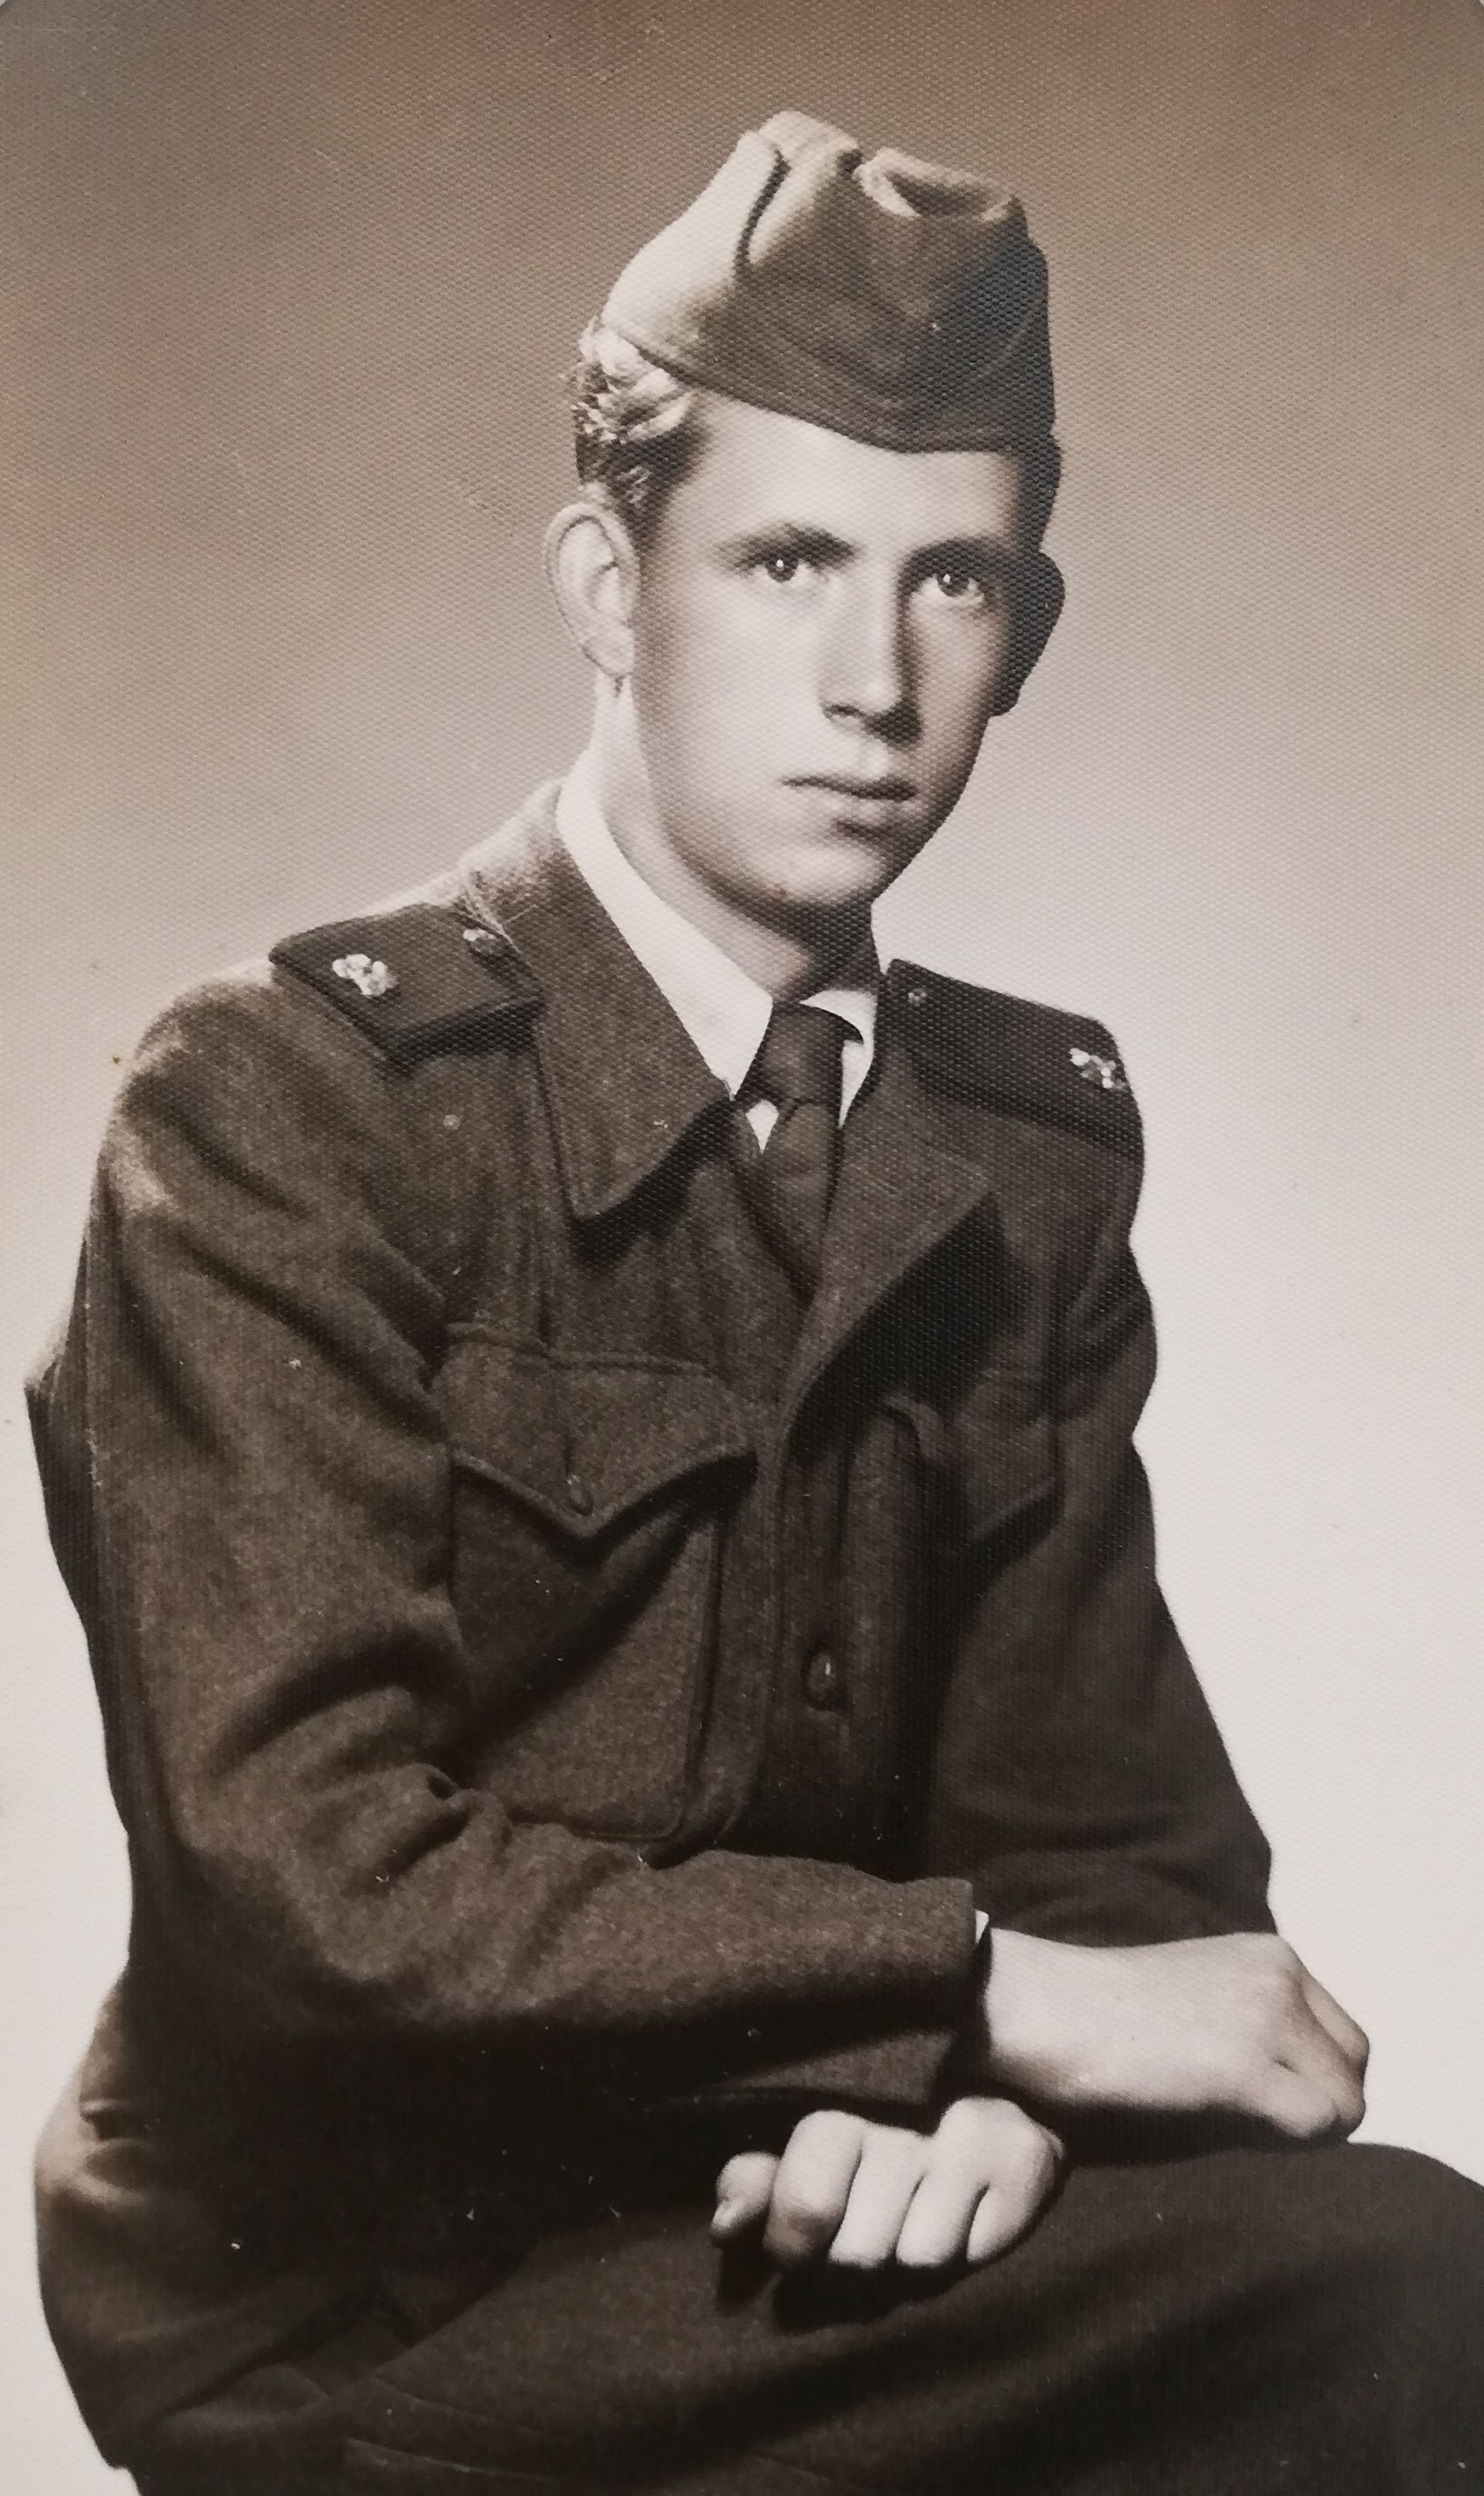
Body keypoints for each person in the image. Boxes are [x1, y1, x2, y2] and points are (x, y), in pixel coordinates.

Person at [28, 111, 1484, 2495]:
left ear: (1027, 630)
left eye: (952, 579)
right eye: (786, 558)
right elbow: (309, 1895)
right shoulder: (291, 1109)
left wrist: (986, 2115)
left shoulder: (1013, 1157)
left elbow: (1113, 1848)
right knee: (1412, 2309)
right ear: (608, 584)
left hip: (779, 2197)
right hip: (350, 2289)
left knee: (1396, 2294)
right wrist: (964, 2002)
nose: (871, 678)